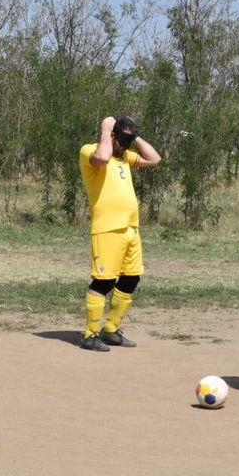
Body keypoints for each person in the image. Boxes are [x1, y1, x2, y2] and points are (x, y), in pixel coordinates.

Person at [78, 115, 161, 351]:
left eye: (128, 141)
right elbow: (102, 157)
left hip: (130, 229)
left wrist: (134, 137)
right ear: (111, 135)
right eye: (120, 140)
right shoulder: (90, 151)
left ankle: (111, 330)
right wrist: (106, 130)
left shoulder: (125, 156)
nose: (123, 146)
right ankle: (89, 335)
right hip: (107, 229)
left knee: (131, 278)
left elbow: (154, 159)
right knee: (103, 282)